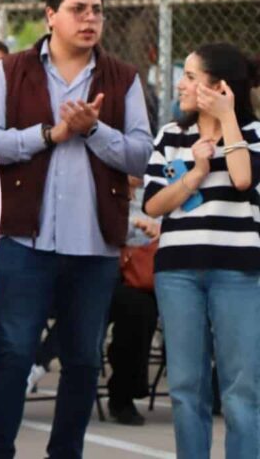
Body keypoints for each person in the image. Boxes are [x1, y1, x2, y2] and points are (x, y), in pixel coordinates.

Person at [0, 0, 153, 459]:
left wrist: (94, 131)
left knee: (82, 361)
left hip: (95, 247)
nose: (90, 18)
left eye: (97, 10)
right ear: (50, 16)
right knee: (13, 353)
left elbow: (142, 154)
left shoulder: (124, 78)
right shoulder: (11, 71)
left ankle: (65, 454)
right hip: (25, 243)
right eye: (79, 9)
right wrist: (49, 134)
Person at [143, 43, 260, 458]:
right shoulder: (170, 136)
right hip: (177, 273)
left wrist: (228, 119)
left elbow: (245, 179)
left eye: (191, 76)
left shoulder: (254, 135)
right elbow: (153, 204)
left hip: (239, 273)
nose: (181, 83)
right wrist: (195, 174)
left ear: (219, 86)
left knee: (242, 390)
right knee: (185, 388)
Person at [105, 176, 159, 426]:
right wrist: (136, 227)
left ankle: (213, 390)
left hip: (150, 272)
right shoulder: (105, 184)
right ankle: (123, 394)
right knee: (135, 307)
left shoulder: (156, 187)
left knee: (143, 307)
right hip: (106, 266)